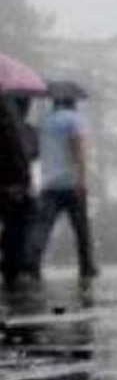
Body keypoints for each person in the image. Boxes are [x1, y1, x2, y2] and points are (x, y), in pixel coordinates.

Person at [25, 96, 98, 280]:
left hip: (50, 184)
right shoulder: (73, 120)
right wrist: (81, 178)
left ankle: (32, 261)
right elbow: (78, 149)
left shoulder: (45, 123)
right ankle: (86, 267)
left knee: (43, 227)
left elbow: (37, 151)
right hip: (72, 183)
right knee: (81, 229)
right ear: (72, 102)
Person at [0, 94, 32, 283]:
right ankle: (12, 268)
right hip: (10, 183)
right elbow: (15, 153)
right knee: (16, 225)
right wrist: (21, 181)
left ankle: (11, 265)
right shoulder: (11, 123)